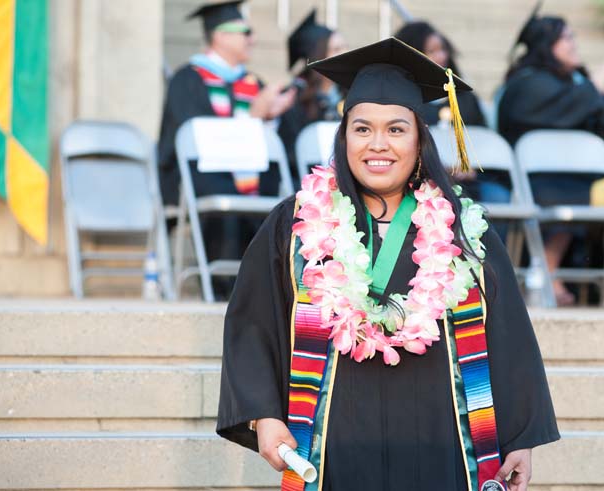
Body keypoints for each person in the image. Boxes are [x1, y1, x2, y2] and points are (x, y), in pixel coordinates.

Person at [216, 37, 559, 491]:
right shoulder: (297, 223)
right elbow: (254, 323)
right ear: (344, 136)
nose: (378, 145)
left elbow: (508, 331)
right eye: (362, 129)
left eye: (396, 129)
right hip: (333, 445)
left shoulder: (461, 228)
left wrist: (519, 437)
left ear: (420, 139)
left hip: (444, 442)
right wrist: (263, 416)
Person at [497, 6, 604, 306]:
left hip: (577, 179)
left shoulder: (573, 83)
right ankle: (548, 274)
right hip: (538, 182)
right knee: (566, 194)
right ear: (546, 45)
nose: (575, 45)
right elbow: (577, 102)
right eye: (566, 39)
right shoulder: (526, 84)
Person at [157, 0, 296, 296]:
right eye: (245, 31)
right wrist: (253, 117)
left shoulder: (253, 83)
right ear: (220, 35)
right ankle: (226, 288)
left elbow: (269, 143)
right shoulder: (188, 79)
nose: (252, 39)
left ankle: (262, 289)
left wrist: (271, 118)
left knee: (276, 188)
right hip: (200, 174)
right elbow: (198, 141)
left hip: (248, 175)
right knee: (223, 185)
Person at [394, 20, 510, 208]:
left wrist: (471, 168)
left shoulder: (464, 99)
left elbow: (481, 140)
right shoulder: (400, 101)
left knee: (498, 196)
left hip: (471, 180)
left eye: (442, 49)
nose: (440, 57)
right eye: (431, 51)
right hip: (419, 182)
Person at [277, 10, 348, 182]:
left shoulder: (350, 93)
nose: (346, 53)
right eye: (337, 49)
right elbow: (291, 155)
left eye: (345, 46)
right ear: (318, 56)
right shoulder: (294, 100)